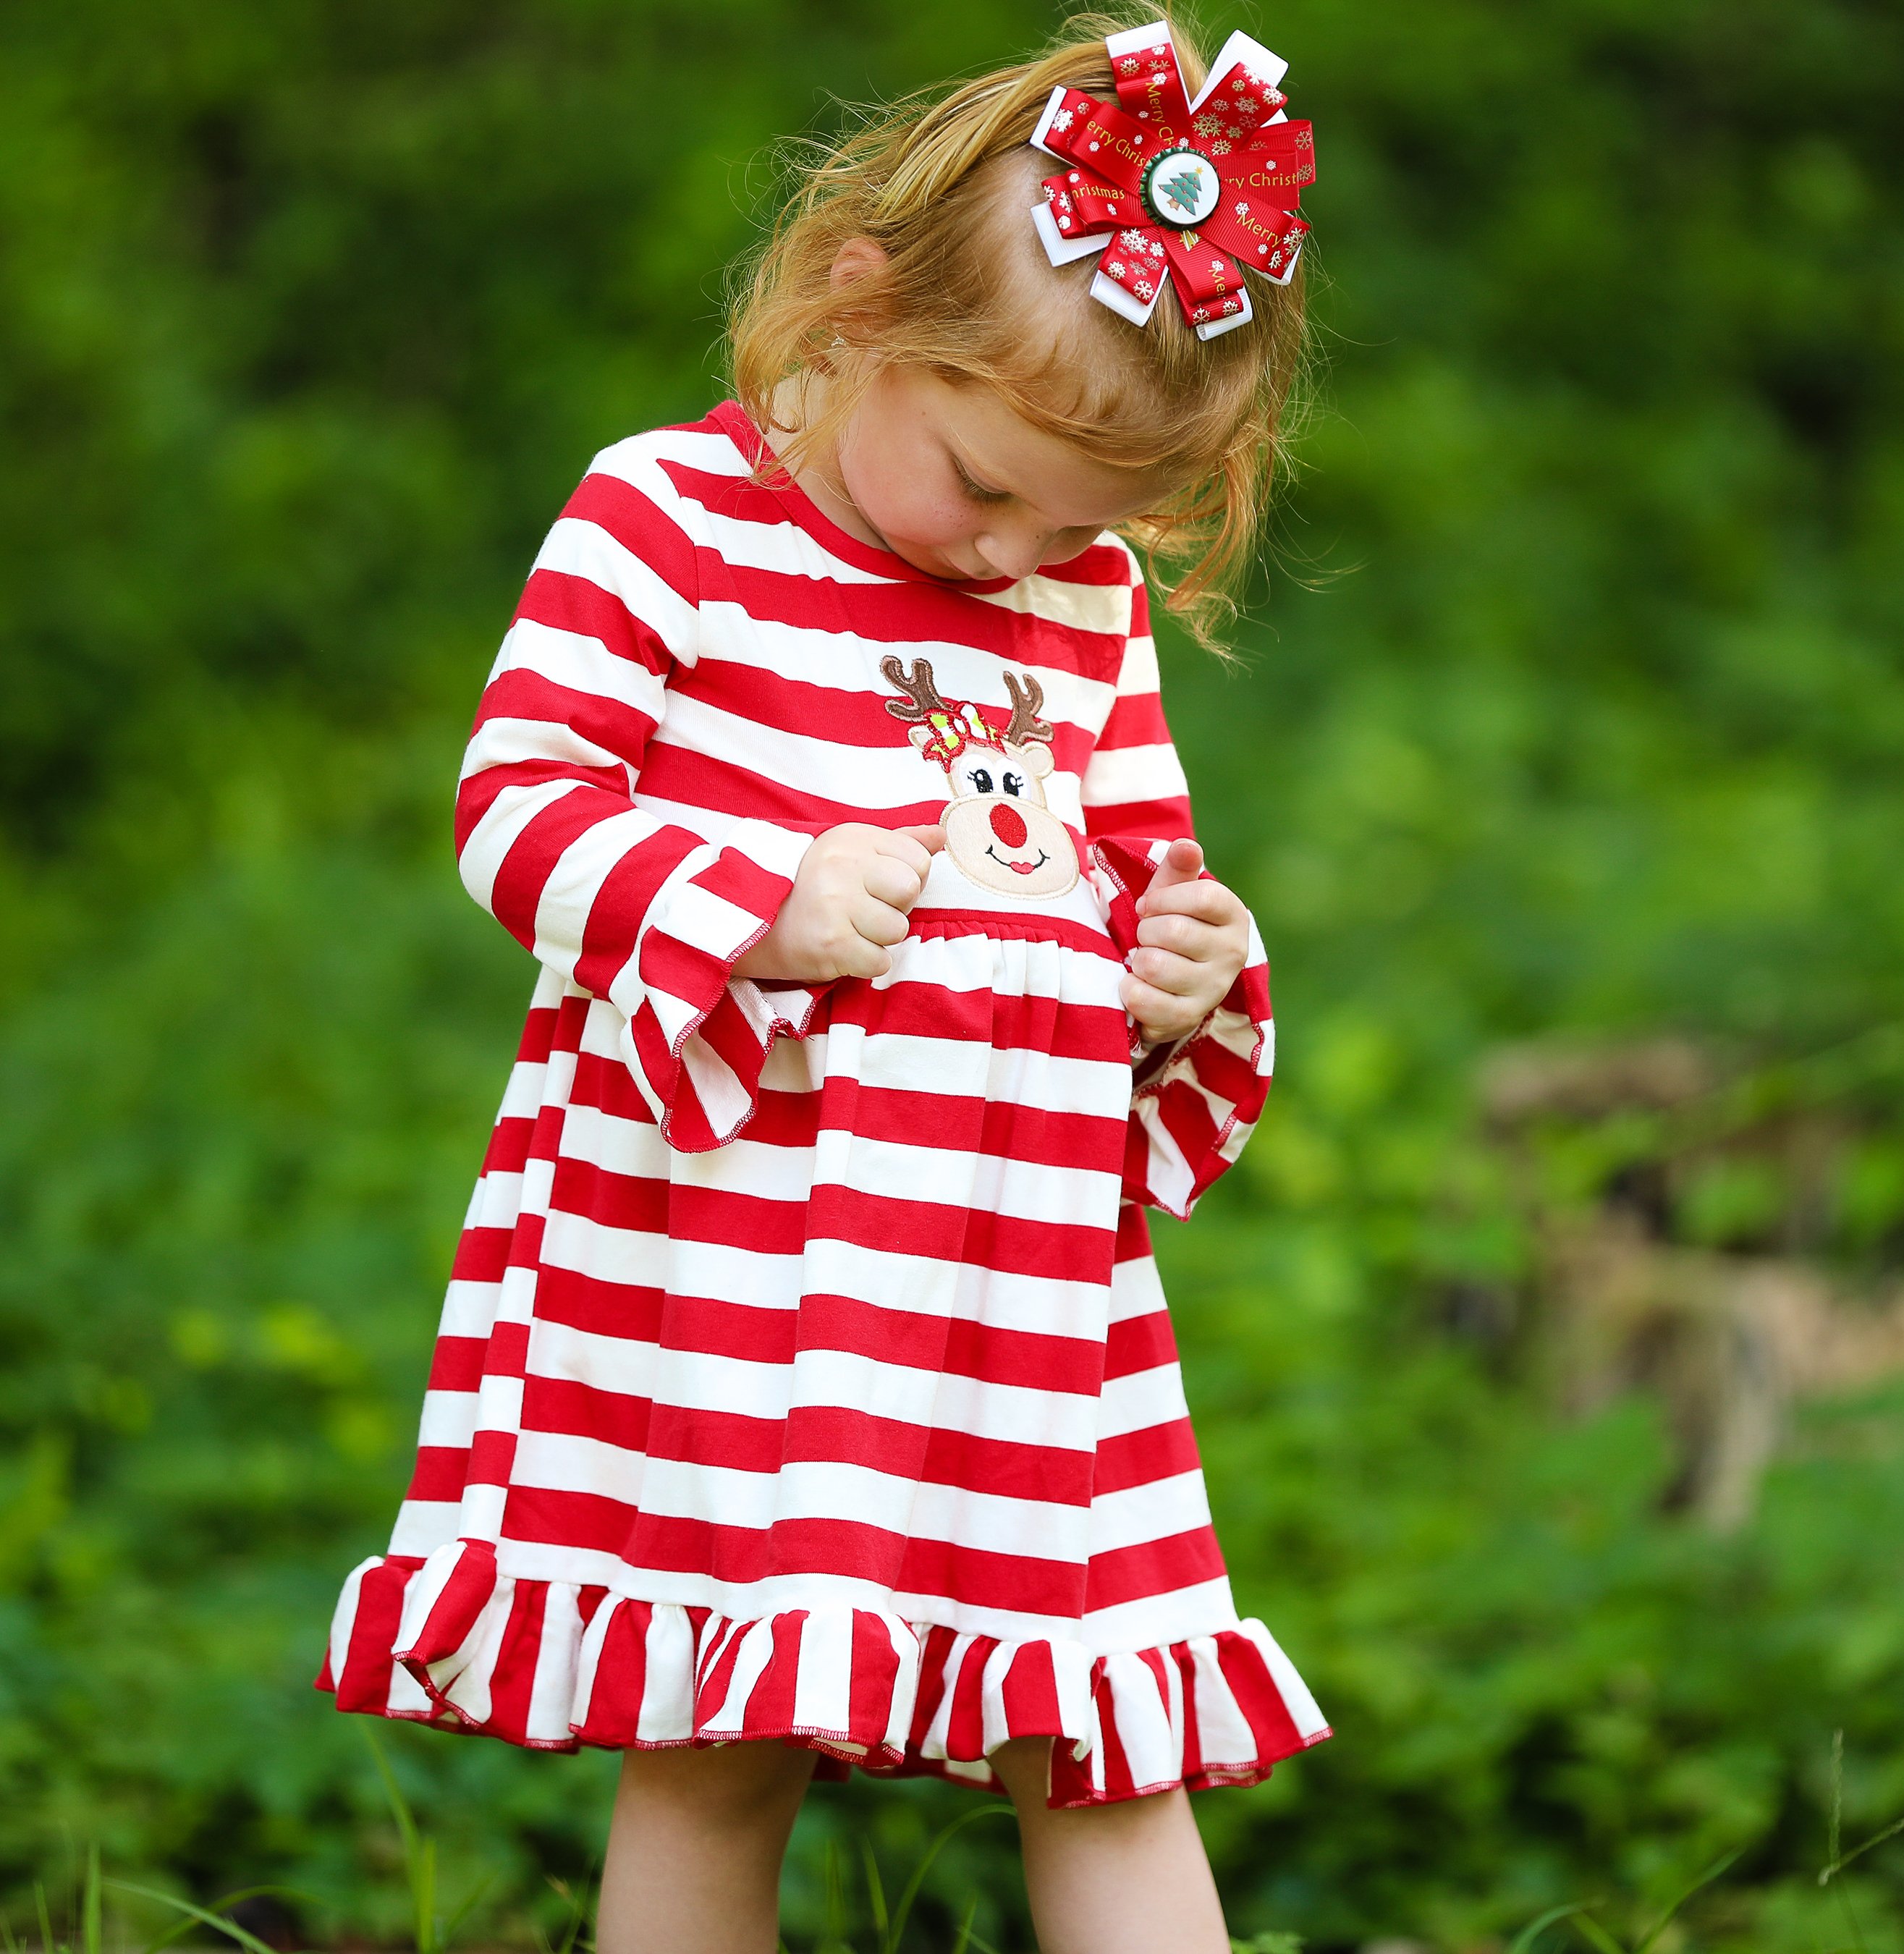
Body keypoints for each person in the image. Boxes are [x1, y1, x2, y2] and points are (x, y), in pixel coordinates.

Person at [318, 11, 1329, 1950]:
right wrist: (748, 902)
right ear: (862, 306)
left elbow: (1135, 880)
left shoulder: (1080, 605)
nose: (1024, 552)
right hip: (737, 1269)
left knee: (1100, 1720)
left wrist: (1187, 965)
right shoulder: (668, 518)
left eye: (1081, 522)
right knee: (721, 1726)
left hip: (1020, 1268)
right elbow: (512, 808)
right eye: (983, 484)